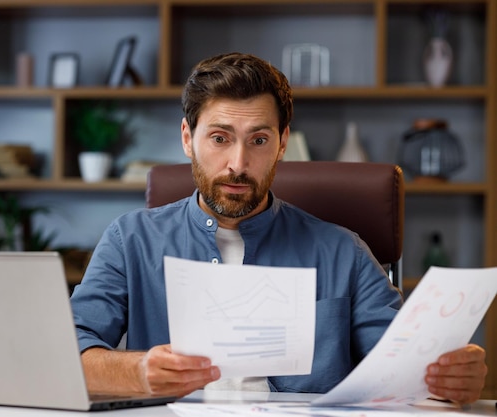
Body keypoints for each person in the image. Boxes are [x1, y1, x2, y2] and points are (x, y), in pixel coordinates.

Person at [70, 52, 487, 404]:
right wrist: (138, 371)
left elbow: (406, 370)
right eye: (219, 138)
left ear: (283, 142)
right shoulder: (130, 239)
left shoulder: (344, 252)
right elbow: (67, 353)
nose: (237, 163)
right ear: (187, 137)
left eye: (258, 140)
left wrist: (449, 377)